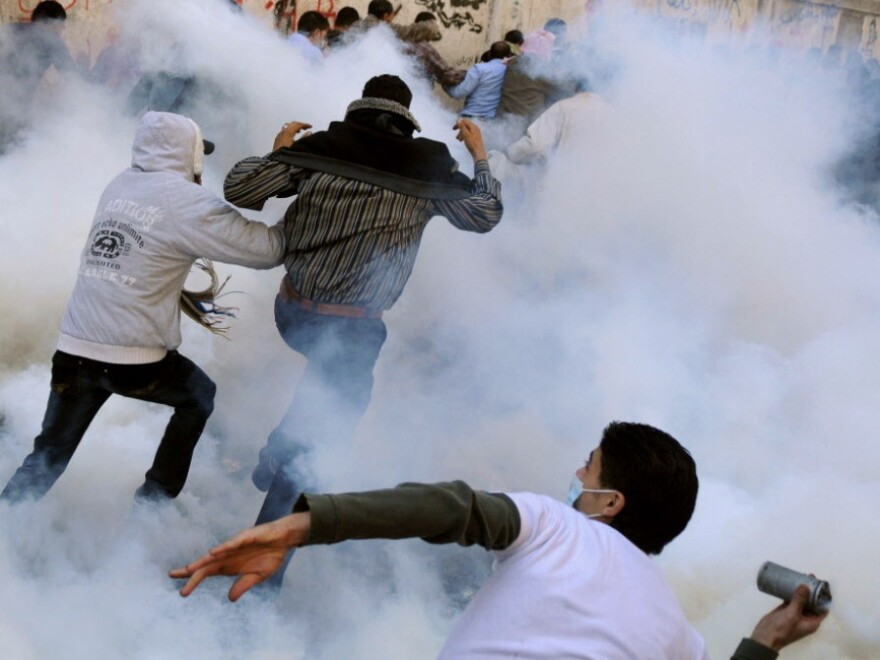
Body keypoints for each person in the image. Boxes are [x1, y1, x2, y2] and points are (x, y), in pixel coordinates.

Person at [171, 421, 826, 659]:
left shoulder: (554, 522)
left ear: (609, 503)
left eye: (588, 467)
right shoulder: (676, 632)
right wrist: (766, 639)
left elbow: (447, 507)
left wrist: (301, 525)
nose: (575, 474)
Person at [222, 74, 502, 587]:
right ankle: (262, 567)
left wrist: (279, 150)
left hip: (292, 315)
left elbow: (240, 187)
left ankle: (274, 452)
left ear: (358, 109)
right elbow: (485, 215)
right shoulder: (427, 168)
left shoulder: (323, 148)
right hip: (349, 333)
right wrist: (481, 155)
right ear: (407, 118)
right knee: (315, 445)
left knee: (318, 395)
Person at [0, 111, 286, 504]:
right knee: (198, 397)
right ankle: (154, 498)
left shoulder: (118, 184)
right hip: (134, 361)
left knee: (46, 457)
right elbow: (268, 250)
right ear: (188, 156)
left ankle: (8, 533)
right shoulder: (187, 201)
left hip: (74, 350)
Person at [0, 1, 77, 150]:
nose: (62, 30)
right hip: (14, 112)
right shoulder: (51, 39)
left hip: (7, 105)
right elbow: (73, 76)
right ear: (52, 23)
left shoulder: (7, 31)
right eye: (61, 25)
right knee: (12, 154)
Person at [444, 41, 511, 119]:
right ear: (508, 55)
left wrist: (444, 83)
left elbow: (458, 93)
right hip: (492, 121)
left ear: (489, 54)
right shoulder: (509, 71)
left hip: (471, 117)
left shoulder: (479, 69)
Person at [404, 11, 466, 87]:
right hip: (417, 92)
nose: (436, 31)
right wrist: (471, 74)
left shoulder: (402, 40)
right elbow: (447, 75)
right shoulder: (426, 49)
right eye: (435, 27)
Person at [351, 0, 440, 44]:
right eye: (391, 15)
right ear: (385, 16)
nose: (392, 19)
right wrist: (434, 22)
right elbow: (428, 28)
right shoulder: (385, 29)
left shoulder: (355, 25)